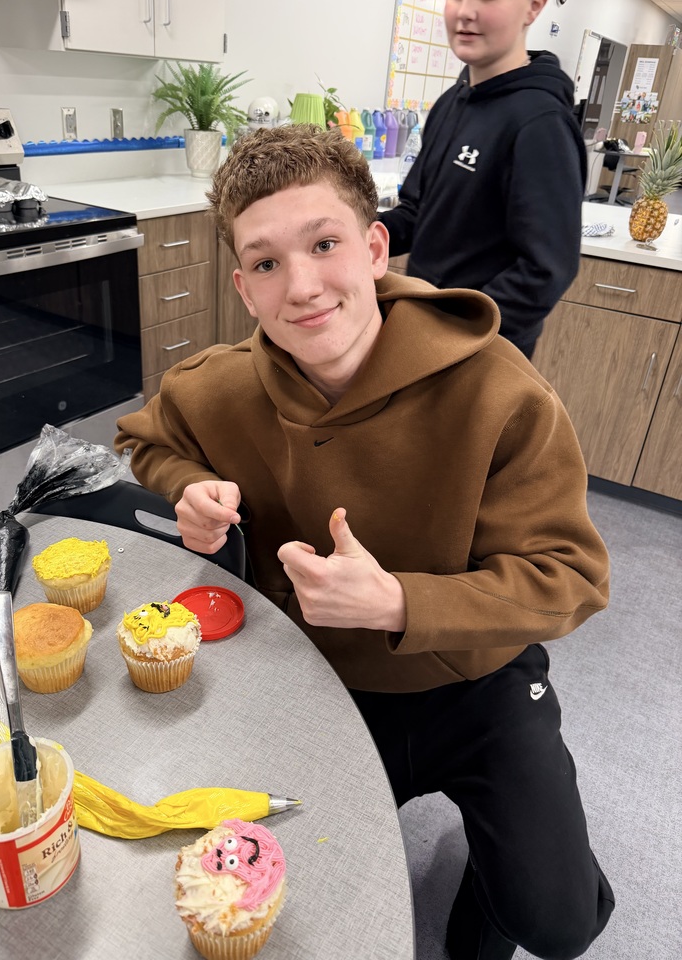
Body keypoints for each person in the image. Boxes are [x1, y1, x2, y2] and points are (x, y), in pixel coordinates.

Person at [115, 123, 614, 960]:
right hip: (320, 681)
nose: (302, 286)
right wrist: (185, 491)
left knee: (557, 923)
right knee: (277, 888)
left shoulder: (501, 391)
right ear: (242, 287)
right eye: (268, 263)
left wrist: (398, 600)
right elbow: (145, 440)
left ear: (377, 247)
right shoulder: (216, 389)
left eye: (325, 244)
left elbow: (572, 577)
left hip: (479, 680)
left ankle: (489, 889)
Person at [380, 0, 586, 359]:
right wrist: (358, 229)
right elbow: (417, 212)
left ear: (534, 4)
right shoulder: (451, 102)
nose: (465, 11)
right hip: (422, 330)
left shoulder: (540, 124)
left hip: (478, 355)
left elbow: (545, 271)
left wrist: (455, 331)